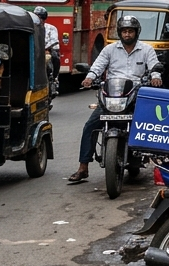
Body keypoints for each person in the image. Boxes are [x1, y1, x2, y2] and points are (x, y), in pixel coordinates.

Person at [67, 16, 162, 184]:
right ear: (120, 33)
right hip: (112, 94)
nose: (127, 34)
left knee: (147, 123)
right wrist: (89, 78)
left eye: (130, 31)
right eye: (124, 31)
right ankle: (83, 167)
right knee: (90, 125)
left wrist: (155, 77)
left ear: (136, 32)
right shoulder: (109, 50)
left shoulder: (147, 50)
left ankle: (154, 159)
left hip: (134, 94)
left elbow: (154, 67)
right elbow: (97, 66)